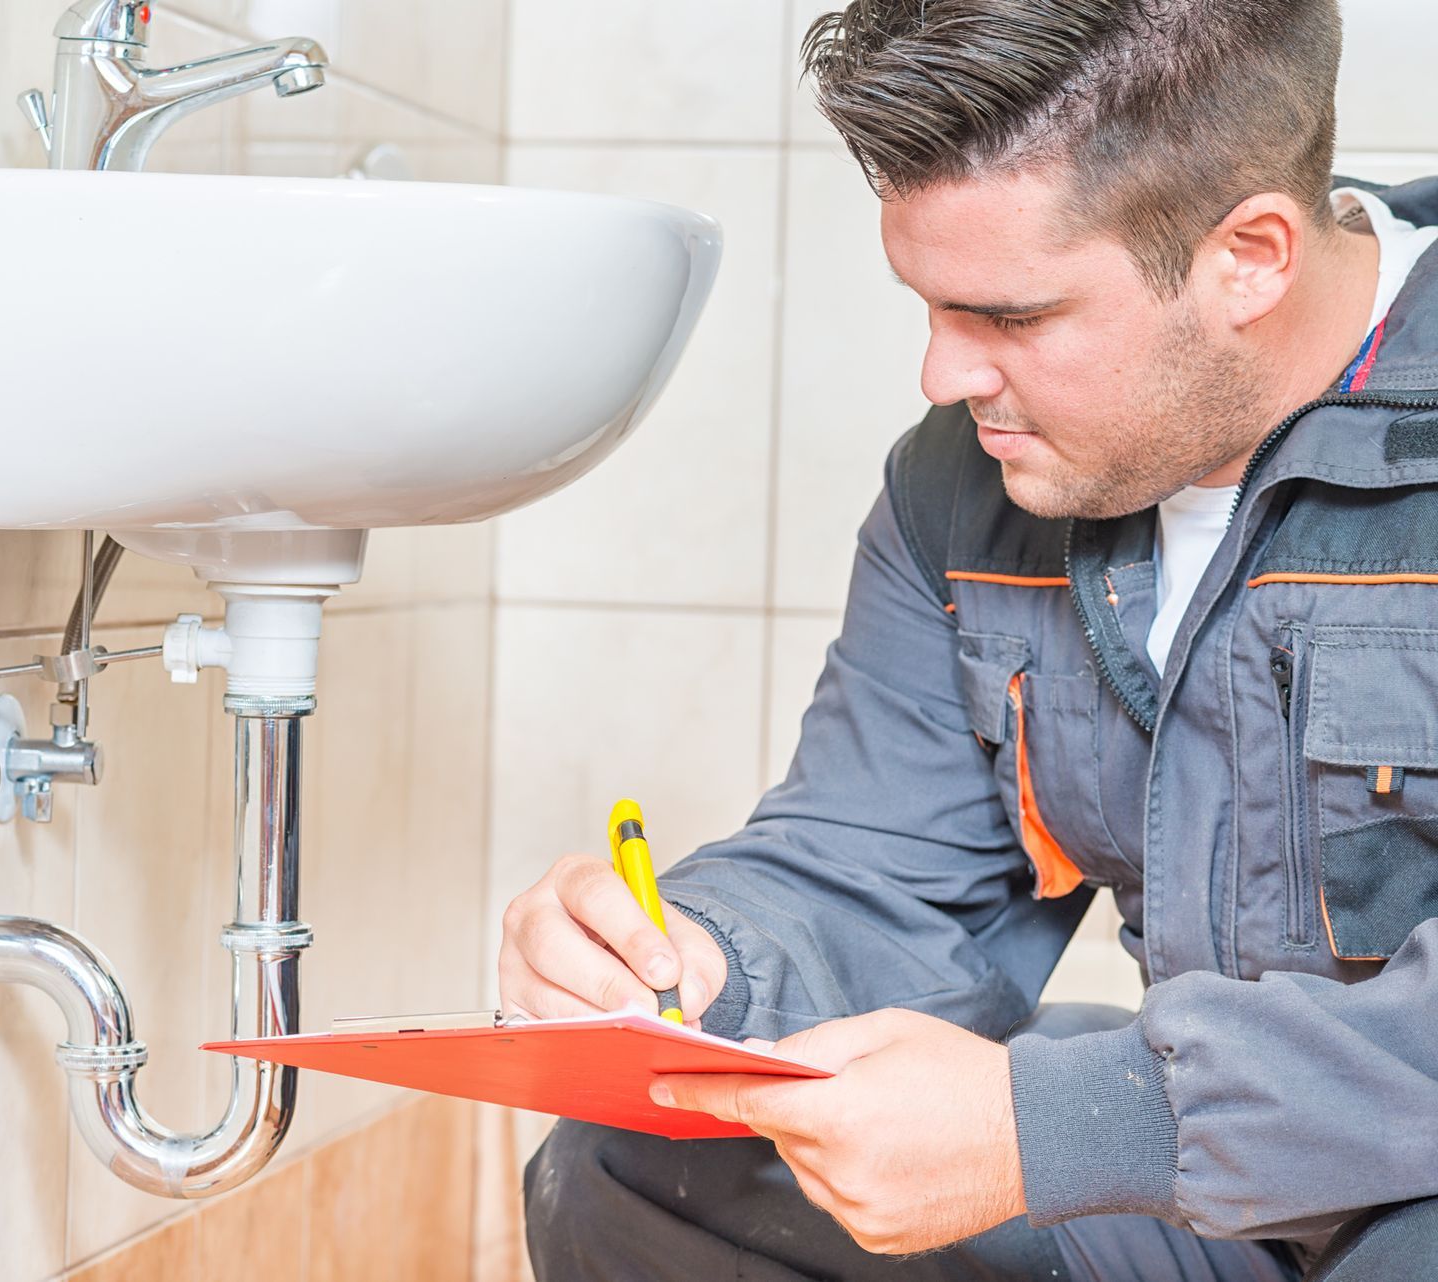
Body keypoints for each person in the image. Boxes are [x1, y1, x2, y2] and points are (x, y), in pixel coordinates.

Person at [501, 2, 1438, 1278]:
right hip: (1210, 1202)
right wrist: (698, 964)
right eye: (930, 305)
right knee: (639, 1162)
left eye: (1010, 317)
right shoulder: (968, 488)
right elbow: (874, 868)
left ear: (1253, 256)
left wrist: (1060, 1123)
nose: (943, 375)